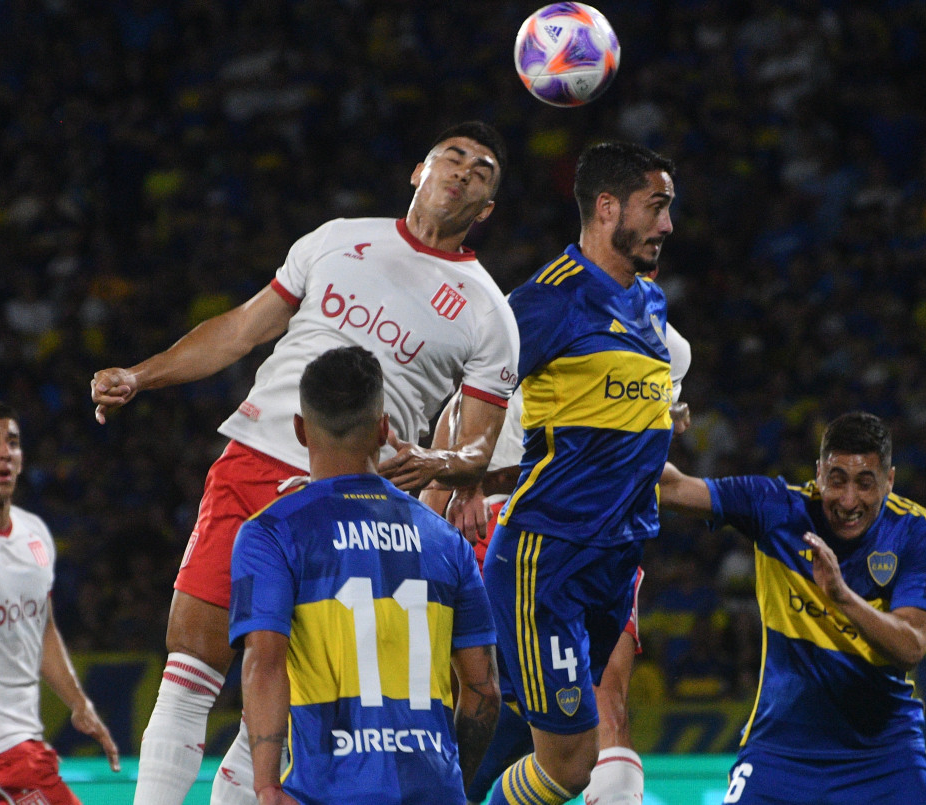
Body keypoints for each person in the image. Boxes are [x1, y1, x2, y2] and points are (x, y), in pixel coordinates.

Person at [89, 120, 520, 805]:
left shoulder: (489, 312)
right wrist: (142, 375)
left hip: (353, 497)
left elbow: (480, 447)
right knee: (191, 662)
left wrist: (436, 461)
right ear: (419, 170)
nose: (463, 171)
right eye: (452, 157)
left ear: (487, 208)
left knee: (289, 675)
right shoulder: (338, 238)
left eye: (482, 171)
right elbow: (241, 327)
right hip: (257, 457)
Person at [477, 141, 676, 805]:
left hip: (614, 561)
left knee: (526, 733)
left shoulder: (651, 304)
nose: (667, 225)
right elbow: (472, 389)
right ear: (607, 206)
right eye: (657, 207)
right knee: (569, 762)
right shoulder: (545, 301)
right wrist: (456, 478)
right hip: (549, 555)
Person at [424, 316, 691, 805]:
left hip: (554, 539)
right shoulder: (546, 315)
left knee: (576, 733)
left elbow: (454, 434)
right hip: (531, 535)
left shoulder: (661, 345)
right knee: (596, 712)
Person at [229, 346, 499, 804]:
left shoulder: (272, 534)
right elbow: (483, 690)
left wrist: (266, 786)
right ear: (383, 429)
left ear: (300, 429)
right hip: (433, 788)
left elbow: (264, 665)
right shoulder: (445, 540)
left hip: (327, 792)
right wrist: (453, 781)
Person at [657, 411, 926, 804]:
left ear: (889, 481)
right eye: (837, 480)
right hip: (780, 750)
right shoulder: (776, 508)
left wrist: (841, 596)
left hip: (885, 752)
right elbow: (669, 488)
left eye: (865, 483)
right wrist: (651, 423)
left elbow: (911, 647)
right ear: (819, 473)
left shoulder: (917, 530)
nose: (848, 500)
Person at [0, 400, 121, 804]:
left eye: (13, 442)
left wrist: (78, 702)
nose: (4, 452)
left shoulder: (34, 533)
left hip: (21, 742)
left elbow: (42, 626)